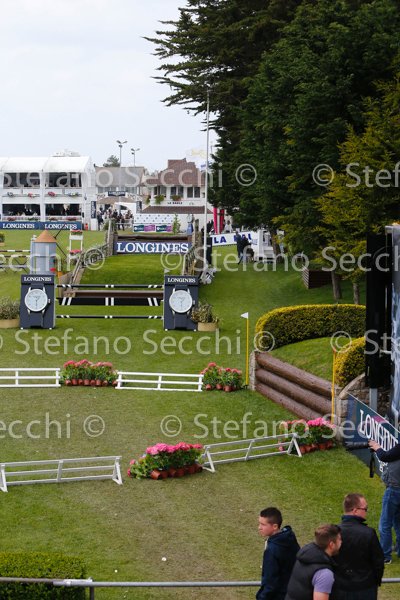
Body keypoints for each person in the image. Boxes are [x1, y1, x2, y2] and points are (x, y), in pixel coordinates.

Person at [335, 493, 384, 600]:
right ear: (355, 510)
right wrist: (375, 582)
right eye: (365, 509)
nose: (366, 512)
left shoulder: (334, 532)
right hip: (365, 589)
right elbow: (378, 562)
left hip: (340, 588)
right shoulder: (368, 533)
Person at [285, 524, 342, 600]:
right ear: (331, 545)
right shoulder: (324, 573)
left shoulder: (305, 555)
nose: (341, 542)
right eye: (339, 539)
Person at [257, 507, 299, 600]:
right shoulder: (290, 537)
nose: (259, 527)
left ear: (275, 526)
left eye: (263, 524)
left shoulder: (272, 550)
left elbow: (270, 582)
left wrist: (262, 597)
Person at [369, 439, 400, 563]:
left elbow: (385, 456)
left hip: (394, 490)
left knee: (385, 524)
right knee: (398, 522)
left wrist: (376, 446)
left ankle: (385, 556)